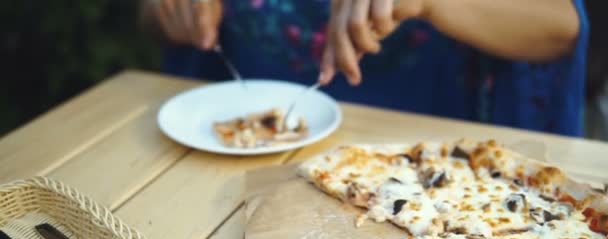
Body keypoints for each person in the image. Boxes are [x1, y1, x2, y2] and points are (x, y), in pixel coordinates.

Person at [140, 0, 588, 137]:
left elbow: (563, 28)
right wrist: (171, 13)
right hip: (220, 169)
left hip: (437, 182)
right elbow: (151, 20)